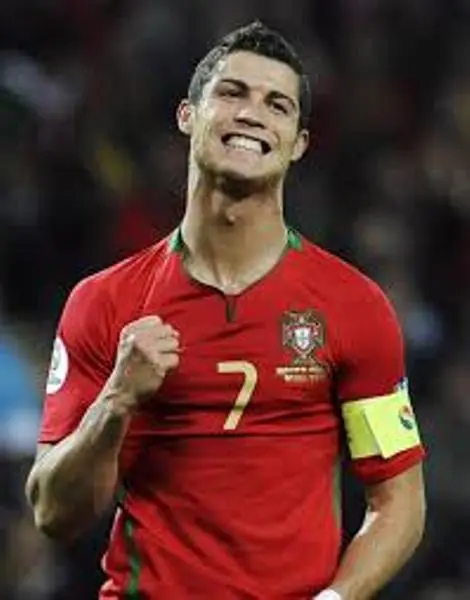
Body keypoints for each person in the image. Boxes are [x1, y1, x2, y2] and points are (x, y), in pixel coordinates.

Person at [25, 21, 426, 600]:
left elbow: (398, 499)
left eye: (277, 105)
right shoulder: (104, 302)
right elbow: (52, 513)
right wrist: (116, 400)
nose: (252, 114)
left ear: (299, 143)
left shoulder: (353, 307)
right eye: (232, 93)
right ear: (188, 116)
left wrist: (335, 598)